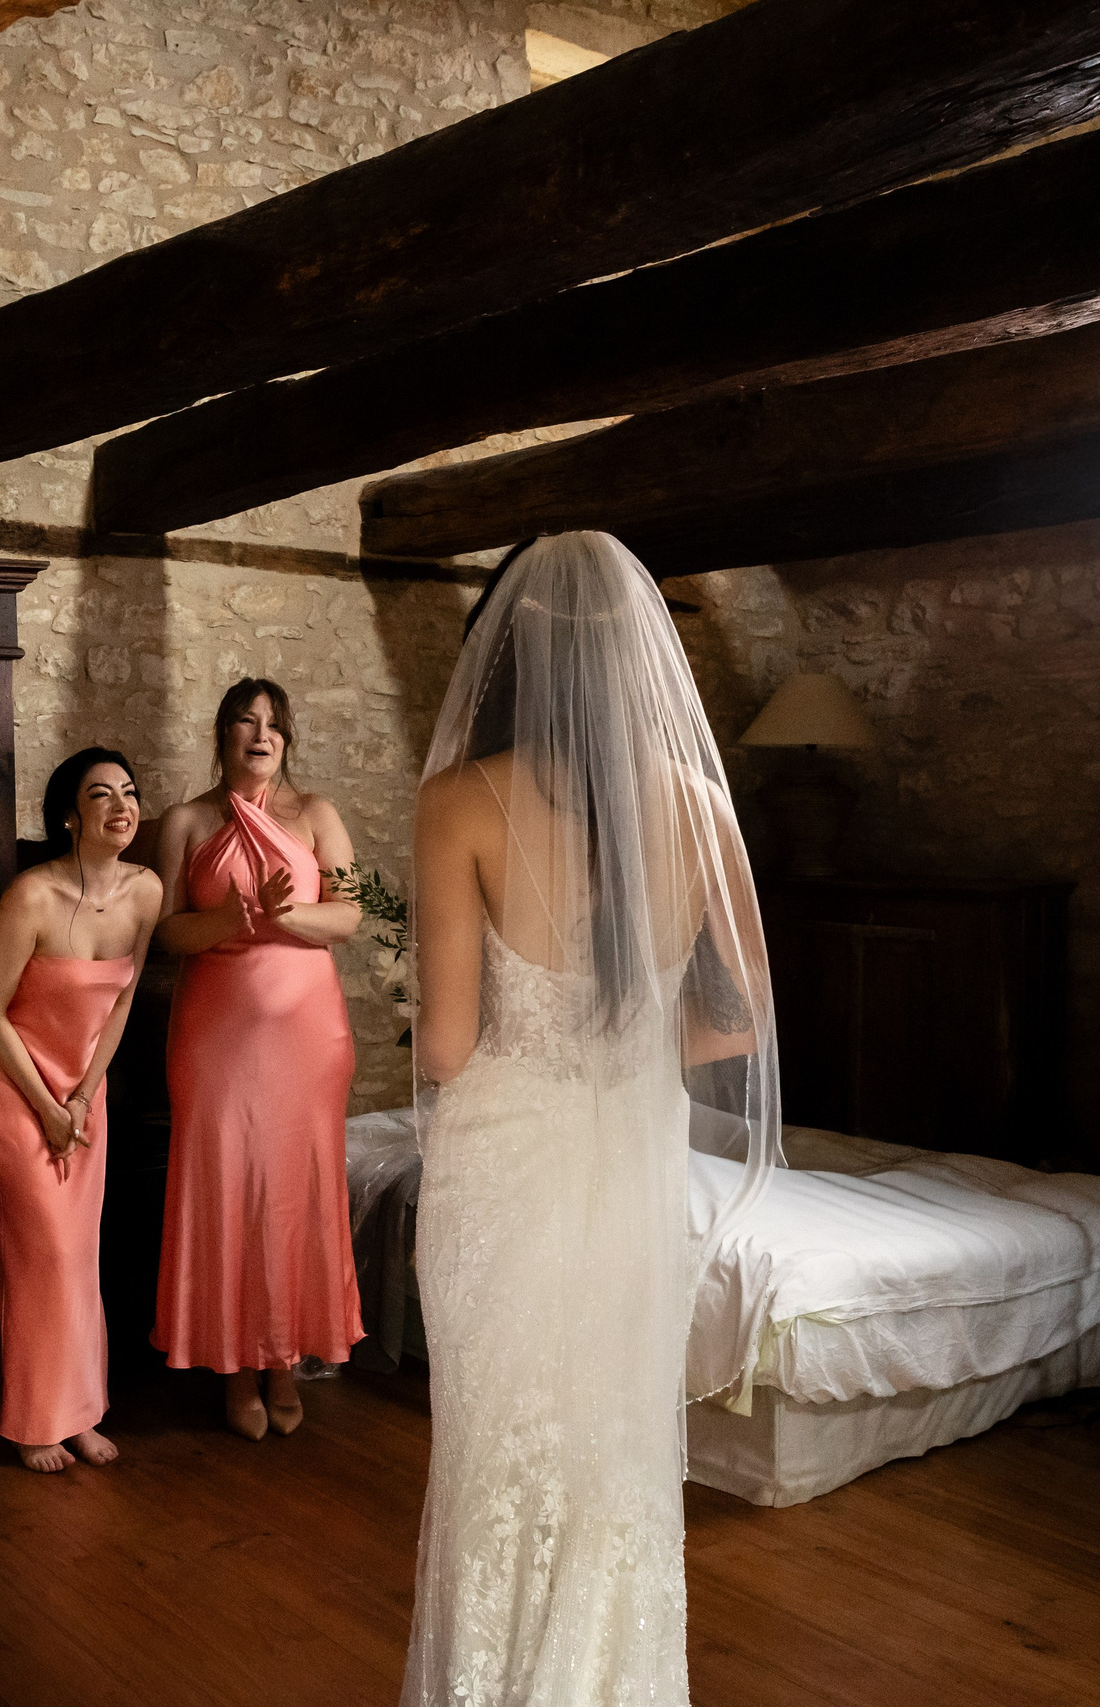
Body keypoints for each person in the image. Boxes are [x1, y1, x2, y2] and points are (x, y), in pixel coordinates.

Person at [402, 533, 782, 1704]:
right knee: (614, 1455)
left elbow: (450, 1046)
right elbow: (743, 1020)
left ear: (506, 655)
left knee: (501, 1458)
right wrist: (626, 1060)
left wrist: (410, 1007)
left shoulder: (460, 802)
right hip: (626, 1174)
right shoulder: (700, 804)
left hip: (503, 1180)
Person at [151, 677, 367, 1441]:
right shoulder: (186, 820)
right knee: (226, 1186)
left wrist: (286, 914)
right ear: (222, 734)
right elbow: (166, 933)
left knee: (295, 1189)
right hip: (217, 1033)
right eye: (246, 720)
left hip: (307, 1036)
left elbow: (350, 913)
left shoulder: (317, 815)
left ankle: (285, 1361)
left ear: (288, 739)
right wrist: (225, 919)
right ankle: (236, 1367)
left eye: (274, 723)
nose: (261, 733)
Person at [0, 747, 161, 1473]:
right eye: (101, 794)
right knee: (42, 1252)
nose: (121, 805)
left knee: (79, 1257)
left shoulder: (147, 891)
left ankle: (81, 1410)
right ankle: (32, 1419)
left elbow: (123, 1001)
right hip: (16, 1086)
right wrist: (48, 1106)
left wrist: (84, 1095)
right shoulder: (31, 896)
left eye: (130, 790)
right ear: (68, 816)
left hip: (86, 1089)